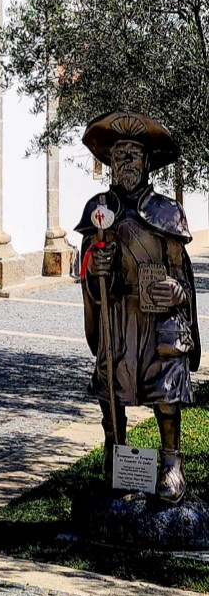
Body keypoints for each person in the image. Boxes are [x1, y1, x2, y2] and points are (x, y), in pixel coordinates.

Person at [78, 111, 201, 503]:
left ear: (147, 162)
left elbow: (184, 278)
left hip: (157, 319)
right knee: (111, 391)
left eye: (133, 155)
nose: (125, 163)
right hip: (117, 315)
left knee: (165, 390)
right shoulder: (98, 212)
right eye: (118, 155)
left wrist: (175, 292)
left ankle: (171, 464)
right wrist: (94, 270)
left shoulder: (167, 213)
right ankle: (117, 460)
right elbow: (90, 272)